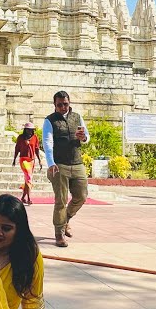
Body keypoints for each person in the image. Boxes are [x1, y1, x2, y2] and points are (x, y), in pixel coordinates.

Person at [43, 91, 89, 248]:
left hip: (77, 163)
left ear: (70, 103)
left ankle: (67, 218)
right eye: (59, 105)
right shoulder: (50, 120)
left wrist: (83, 137)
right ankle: (59, 233)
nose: (63, 107)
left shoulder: (77, 117)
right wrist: (51, 163)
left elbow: (86, 137)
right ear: (54, 105)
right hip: (59, 165)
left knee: (81, 196)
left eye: (65, 104)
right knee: (61, 200)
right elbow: (47, 142)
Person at [12, 121, 43, 205]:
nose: (30, 131)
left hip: (32, 160)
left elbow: (36, 149)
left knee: (27, 179)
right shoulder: (21, 138)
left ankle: (23, 197)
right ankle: (29, 198)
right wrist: (14, 159)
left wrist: (39, 160)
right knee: (29, 177)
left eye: (31, 130)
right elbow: (17, 148)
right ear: (25, 130)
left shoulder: (35, 137)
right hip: (23, 160)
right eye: (28, 130)